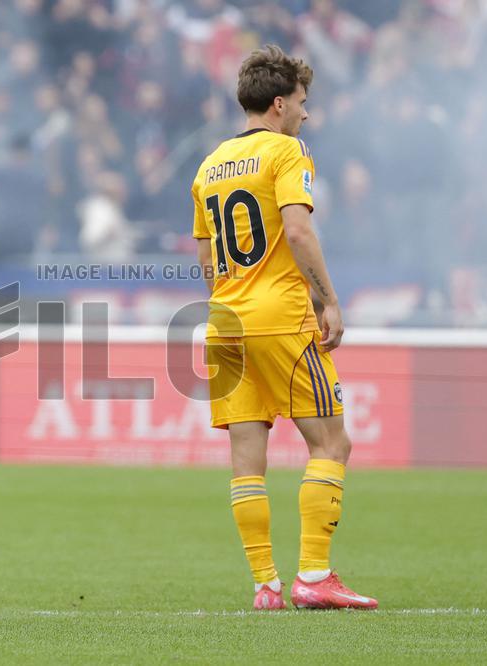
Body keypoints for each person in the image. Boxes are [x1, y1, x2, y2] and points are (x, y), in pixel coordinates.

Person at [190, 45, 377, 611]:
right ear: (278, 103)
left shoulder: (209, 164)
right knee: (331, 441)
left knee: (247, 456)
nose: (306, 113)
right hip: (280, 318)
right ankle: (315, 575)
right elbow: (297, 232)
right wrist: (330, 300)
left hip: (224, 320)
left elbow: (204, 259)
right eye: (302, 101)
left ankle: (266, 585)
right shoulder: (288, 151)